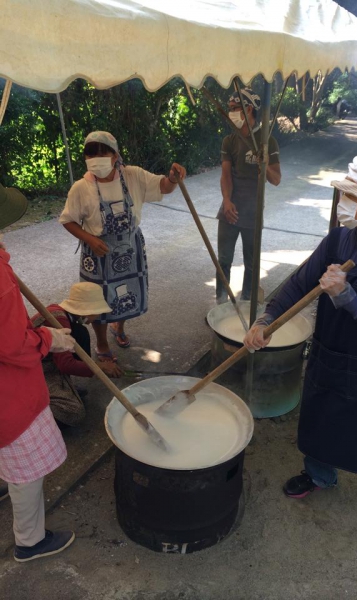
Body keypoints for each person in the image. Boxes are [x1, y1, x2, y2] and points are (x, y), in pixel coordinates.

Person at [244, 155, 357, 549]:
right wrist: (265, 319)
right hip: (333, 348)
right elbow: (301, 281)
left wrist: (345, 293)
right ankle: (320, 474)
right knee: (322, 414)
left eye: (348, 195)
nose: (340, 201)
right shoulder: (342, 238)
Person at [59, 131, 186, 362]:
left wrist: (173, 178)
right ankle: (102, 344)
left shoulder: (133, 176)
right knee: (96, 299)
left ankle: (118, 326)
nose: (95, 159)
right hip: (97, 251)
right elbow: (67, 220)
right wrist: (90, 239)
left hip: (129, 247)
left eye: (102, 154)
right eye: (90, 155)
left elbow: (164, 187)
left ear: (115, 155)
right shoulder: (81, 187)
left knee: (125, 291)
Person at [0, 183, 76, 562]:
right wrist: (49, 338)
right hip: (8, 395)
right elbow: (12, 344)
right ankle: (29, 540)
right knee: (27, 468)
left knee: (6, 455)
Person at [216, 87, 281, 304]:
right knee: (223, 259)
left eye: (235, 108)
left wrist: (264, 164)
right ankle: (221, 303)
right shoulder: (229, 140)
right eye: (230, 109)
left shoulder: (267, 141)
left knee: (251, 263)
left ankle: (246, 303)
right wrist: (226, 201)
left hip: (253, 214)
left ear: (248, 109)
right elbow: (226, 175)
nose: (231, 113)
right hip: (230, 210)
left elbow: (276, 179)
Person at [31, 282, 123, 427]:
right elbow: (65, 364)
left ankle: (64, 386)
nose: (98, 316)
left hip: (47, 359)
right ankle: (36, 410)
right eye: (97, 312)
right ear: (88, 311)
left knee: (80, 333)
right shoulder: (58, 321)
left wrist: (95, 367)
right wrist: (99, 367)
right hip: (34, 368)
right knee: (74, 413)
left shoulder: (66, 316)